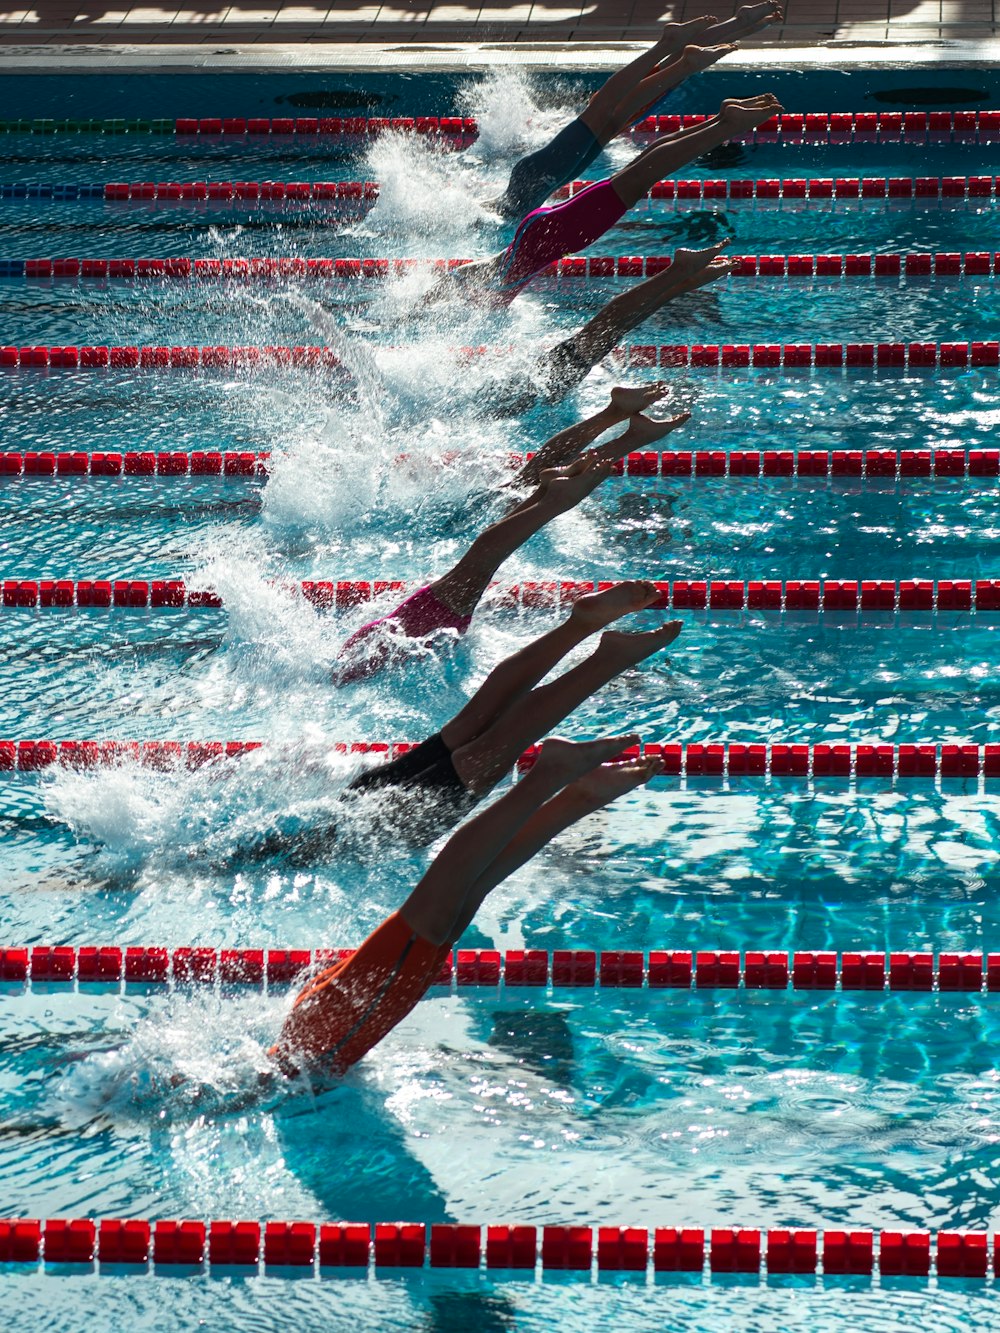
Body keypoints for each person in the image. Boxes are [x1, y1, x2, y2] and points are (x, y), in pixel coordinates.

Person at [269, 733, 664, 1078]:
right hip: (327, 1028)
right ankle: (578, 796)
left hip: (323, 1029)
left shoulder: (286, 1070)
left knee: (450, 889)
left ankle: (548, 775)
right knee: (466, 895)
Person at [252, 581, 681, 860]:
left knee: (501, 743)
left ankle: (606, 660)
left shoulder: (257, 868)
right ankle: (577, 626)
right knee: (479, 716)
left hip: (388, 821)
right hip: (362, 798)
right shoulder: (249, 850)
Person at [335, 384, 687, 683]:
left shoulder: (346, 682)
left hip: (418, 623)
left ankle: (620, 431)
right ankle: (622, 429)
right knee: (531, 490)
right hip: (413, 625)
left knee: (523, 503)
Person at [426, 96, 783, 309]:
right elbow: (455, 278)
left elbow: (461, 288)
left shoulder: (490, 298)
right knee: (641, 171)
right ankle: (722, 120)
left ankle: (724, 125)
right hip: (539, 228)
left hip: (557, 234)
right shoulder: (488, 278)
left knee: (645, 174)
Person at [492, 4, 784, 221]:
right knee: (611, 117)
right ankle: (721, 35)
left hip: (533, 180)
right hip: (541, 180)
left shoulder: (490, 217)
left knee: (606, 111)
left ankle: (675, 47)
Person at [475, 239, 737, 418]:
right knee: (609, 330)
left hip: (539, 386)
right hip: (540, 388)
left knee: (606, 329)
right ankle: (678, 282)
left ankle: (677, 275)